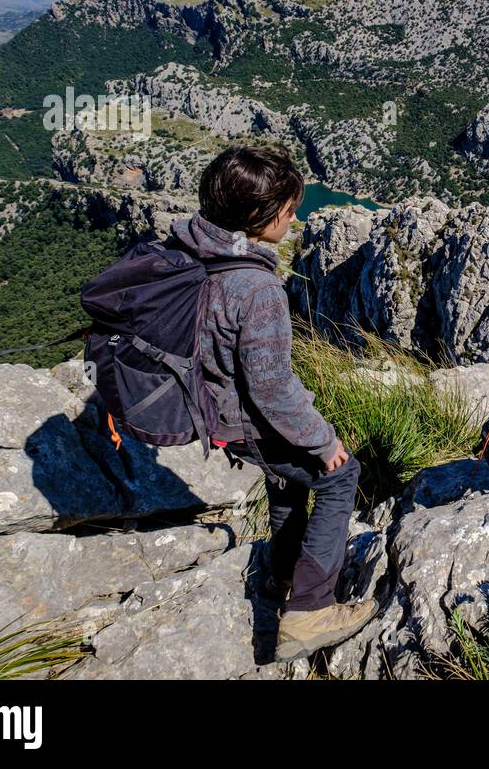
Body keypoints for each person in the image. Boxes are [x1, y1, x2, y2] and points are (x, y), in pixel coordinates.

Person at [171, 145, 375, 662]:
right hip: (246, 419)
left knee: (287, 482)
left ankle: (281, 575)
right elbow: (272, 389)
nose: (296, 218)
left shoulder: (197, 250)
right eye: (288, 210)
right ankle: (310, 609)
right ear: (260, 218)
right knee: (338, 476)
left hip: (218, 414)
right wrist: (324, 440)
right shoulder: (256, 287)